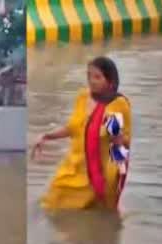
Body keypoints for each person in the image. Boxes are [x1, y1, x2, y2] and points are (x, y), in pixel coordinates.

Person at [32, 56, 131, 211]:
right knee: (50, 204)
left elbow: (121, 144)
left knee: (103, 216)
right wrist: (47, 136)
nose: (92, 81)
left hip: (98, 174)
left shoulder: (117, 103)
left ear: (110, 80)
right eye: (89, 76)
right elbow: (73, 128)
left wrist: (116, 180)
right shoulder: (83, 97)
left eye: (97, 77)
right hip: (73, 167)